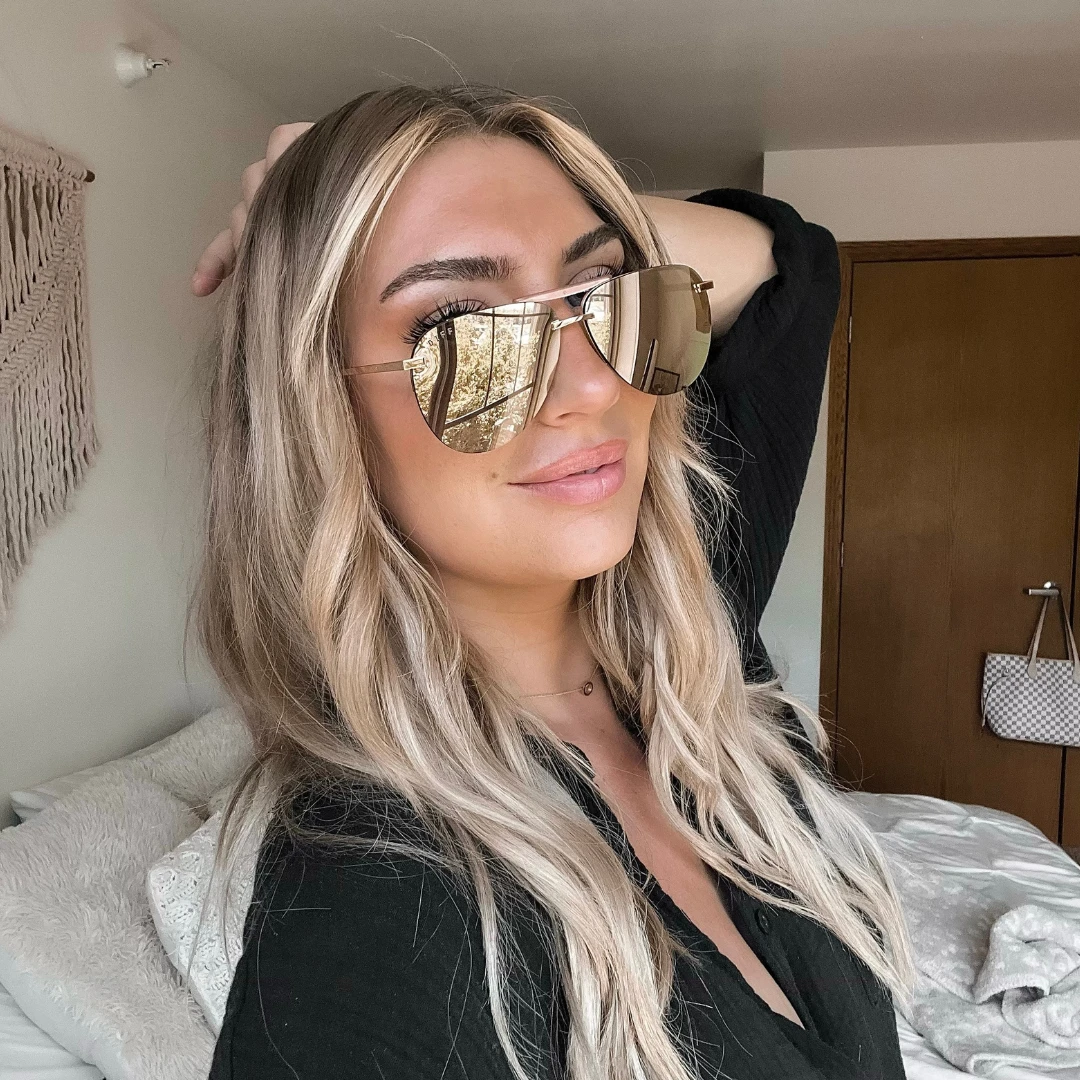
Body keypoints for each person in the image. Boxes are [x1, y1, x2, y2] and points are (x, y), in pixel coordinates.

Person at [193, 84, 911, 1080]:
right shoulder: (372, 914)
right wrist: (316, 222)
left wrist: (463, 186)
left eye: (601, 293)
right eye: (459, 327)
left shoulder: (692, 633)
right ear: (314, 411)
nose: (593, 382)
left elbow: (790, 264)